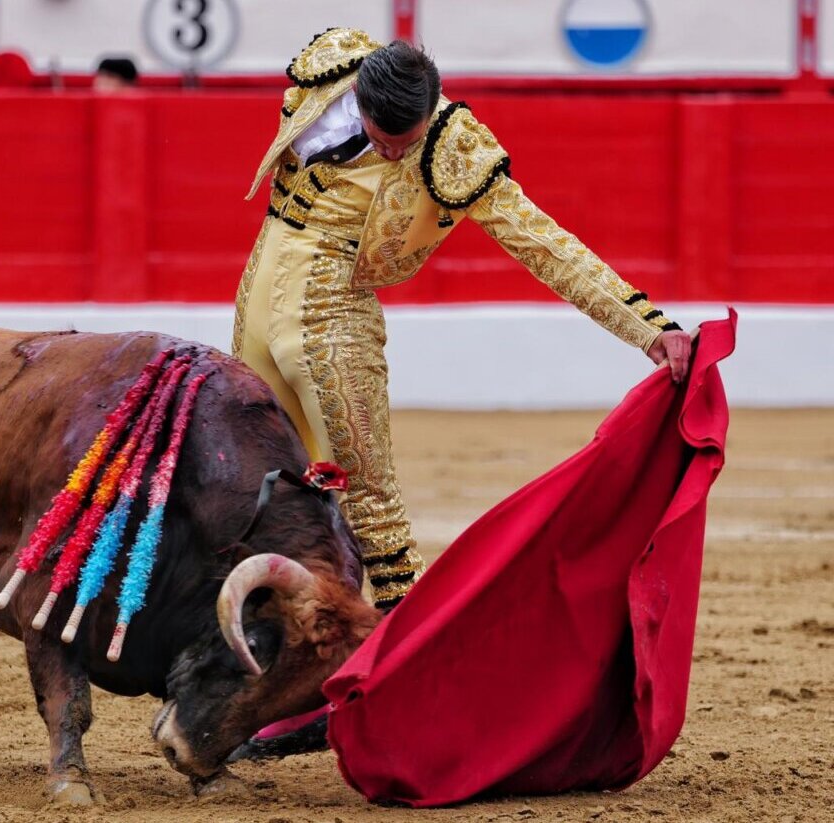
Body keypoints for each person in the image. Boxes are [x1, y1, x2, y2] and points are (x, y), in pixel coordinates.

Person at [232, 29, 692, 614]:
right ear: (362, 104)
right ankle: (268, 649)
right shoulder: (330, 69)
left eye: (408, 142)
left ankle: (407, 656)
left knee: (372, 505)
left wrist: (647, 327)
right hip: (258, 294)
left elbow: (543, 244)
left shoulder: (452, 145)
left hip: (332, 318)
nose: (397, 155)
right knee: (259, 485)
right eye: (384, 141)